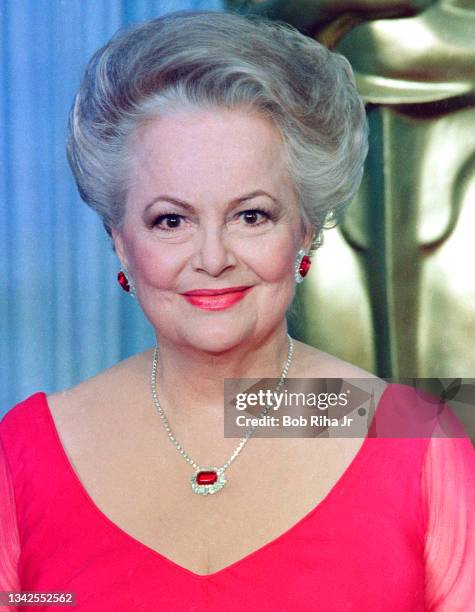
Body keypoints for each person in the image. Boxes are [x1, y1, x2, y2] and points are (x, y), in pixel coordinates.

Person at [0, 10, 473, 611]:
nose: (213, 257)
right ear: (120, 239)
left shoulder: (414, 438)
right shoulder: (26, 452)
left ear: (305, 228)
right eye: (171, 220)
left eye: (252, 215)